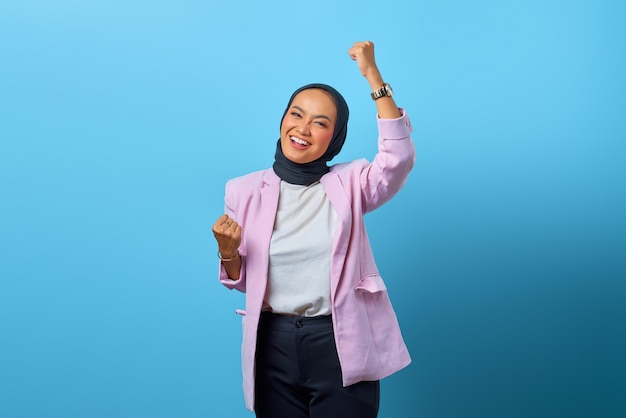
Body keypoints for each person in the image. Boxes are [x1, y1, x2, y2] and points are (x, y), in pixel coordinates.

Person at [212, 41, 415, 418]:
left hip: (341, 340)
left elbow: (398, 159)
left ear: (334, 138)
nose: (302, 129)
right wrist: (228, 252)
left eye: (320, 123)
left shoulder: (351, 183)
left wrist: (373, 75)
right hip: (272, 342)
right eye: (296, 114)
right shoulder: (241, 190)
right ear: (283, 118)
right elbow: (243, 282)